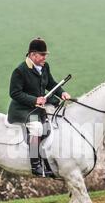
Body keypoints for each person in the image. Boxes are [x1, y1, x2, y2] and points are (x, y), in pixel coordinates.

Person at [7, 37, 71, 177]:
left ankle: (48, 160)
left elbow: (51, 83)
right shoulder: (20, 70)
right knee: (36, 128)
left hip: (37, 108)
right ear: (32, 55)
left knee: (52, 125)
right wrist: (35, 99)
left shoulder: (44, 67)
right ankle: (35, 165)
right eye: (42, 55)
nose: (45, 57)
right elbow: (14, 93)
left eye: (45, 55)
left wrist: (62, 93)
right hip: (21, 109)